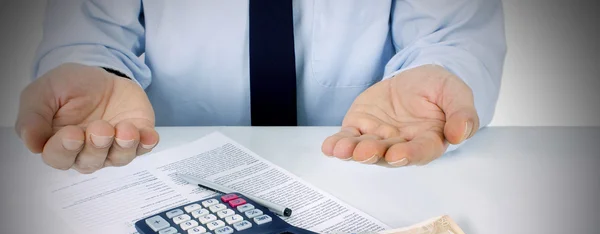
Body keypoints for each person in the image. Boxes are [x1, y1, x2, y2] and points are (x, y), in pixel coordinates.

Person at [16, 0, 506, 174]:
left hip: (368, 161)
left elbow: (451, 31)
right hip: (172, 163)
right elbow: (90, 31)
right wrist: (95, 72)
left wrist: (442, 69)